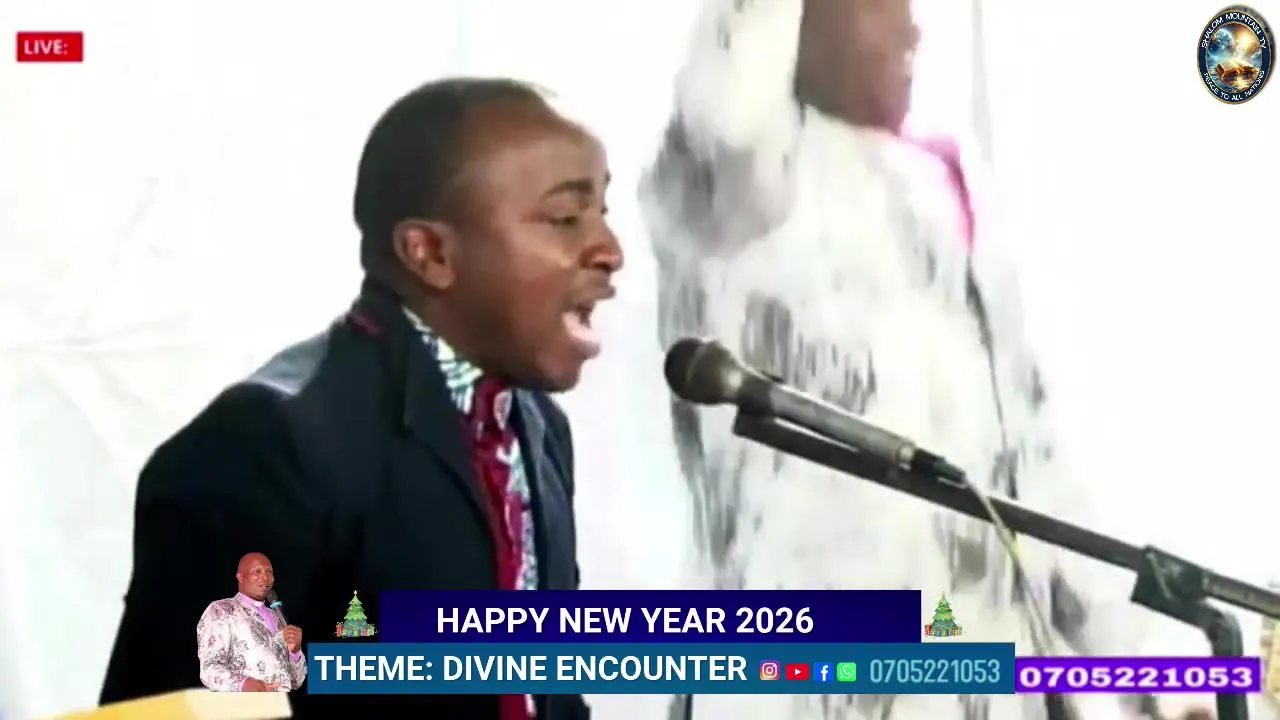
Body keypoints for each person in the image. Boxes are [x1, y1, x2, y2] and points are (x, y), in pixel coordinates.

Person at [641, 0, 1209, 718]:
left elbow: (1035, 474)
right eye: (881, 7)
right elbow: (728, 115)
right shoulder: (734, 189)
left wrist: (1157, 681)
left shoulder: (937, 191)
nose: (911, 29)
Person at [99, 77, 621, 719]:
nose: (610, 251)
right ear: (430, 253)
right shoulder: (265, 446)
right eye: (566, 218)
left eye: (603, 213)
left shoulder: (535, 427)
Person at [196, 553, 306, 692]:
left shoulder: (278, 617)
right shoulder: (221, 610)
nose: (265, 577)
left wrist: (295, 652)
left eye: (269, 572)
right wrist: (243, 684)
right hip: (242, 704)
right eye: (257, 571)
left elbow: (296, 681)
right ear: (241, 577)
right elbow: (209, 668)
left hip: (280, 703)